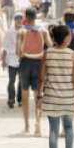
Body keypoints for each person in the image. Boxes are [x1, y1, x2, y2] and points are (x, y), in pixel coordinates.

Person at [37, 25, 74, 148]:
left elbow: (41, 78)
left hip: (51, 98)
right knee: (69, 127)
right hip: (68, 98)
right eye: (69, 35)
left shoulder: (47, 53)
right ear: (65, 37)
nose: (70, 38)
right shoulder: (73, 55)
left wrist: (39, 96)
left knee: (53, 130)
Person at [17, 7, 51, 136]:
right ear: (36, 16)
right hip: (39, 63)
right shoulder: (43, 31)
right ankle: (38, 123)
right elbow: (51, 46)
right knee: (39, 95)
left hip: (25, 62)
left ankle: (26, 125)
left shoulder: (21, 31)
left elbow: (17, 51)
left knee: (25, 95)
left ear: (26, 17)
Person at [0, 12, 24, 109]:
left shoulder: (25, 31)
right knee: (12, 80)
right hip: (12, 59)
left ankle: (20, 99)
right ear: (14, 20)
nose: (19, 20)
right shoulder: (10, 32)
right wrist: (3, 60)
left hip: (22, 59)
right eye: (17, 18)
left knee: (22, 81)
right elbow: (5, 47)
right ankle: (11, 99)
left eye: (20, 18)